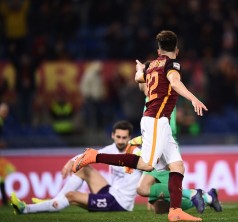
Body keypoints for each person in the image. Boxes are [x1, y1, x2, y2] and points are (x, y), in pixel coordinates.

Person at [72, 30, 208, 221]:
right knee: (146, 164)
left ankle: (175, 210)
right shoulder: (172, 64)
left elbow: (139, 80)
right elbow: (175, 83)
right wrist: (194, 99)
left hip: (160, 121)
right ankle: (94, 156)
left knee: (177, 166)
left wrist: (138, 70)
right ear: (176, 50)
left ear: (158, 49)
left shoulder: (151, 65)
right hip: (156, 120)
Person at [10, 120, 142, 214]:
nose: (120, 141)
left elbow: (151, 171)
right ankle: (55, 202)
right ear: (112, 135)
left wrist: (154, 197)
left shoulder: (136, 153)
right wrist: (70, 161)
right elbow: (88, 155)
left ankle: (26, 209)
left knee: (71, 196)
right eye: (118, 137)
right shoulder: (111, 149)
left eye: (124, 138)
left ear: (129, 137)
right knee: (83, 168)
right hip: (111, 192)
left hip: (119, 203)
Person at [136, 82, 222, 214]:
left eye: (142, 81)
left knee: (143, 188)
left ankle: (194, 193)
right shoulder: (151, 98)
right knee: (160, 208)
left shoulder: (160, 98)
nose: (139, 84)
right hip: (155, 147)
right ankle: (208, 197)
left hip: (162, 150)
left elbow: (166, 130)